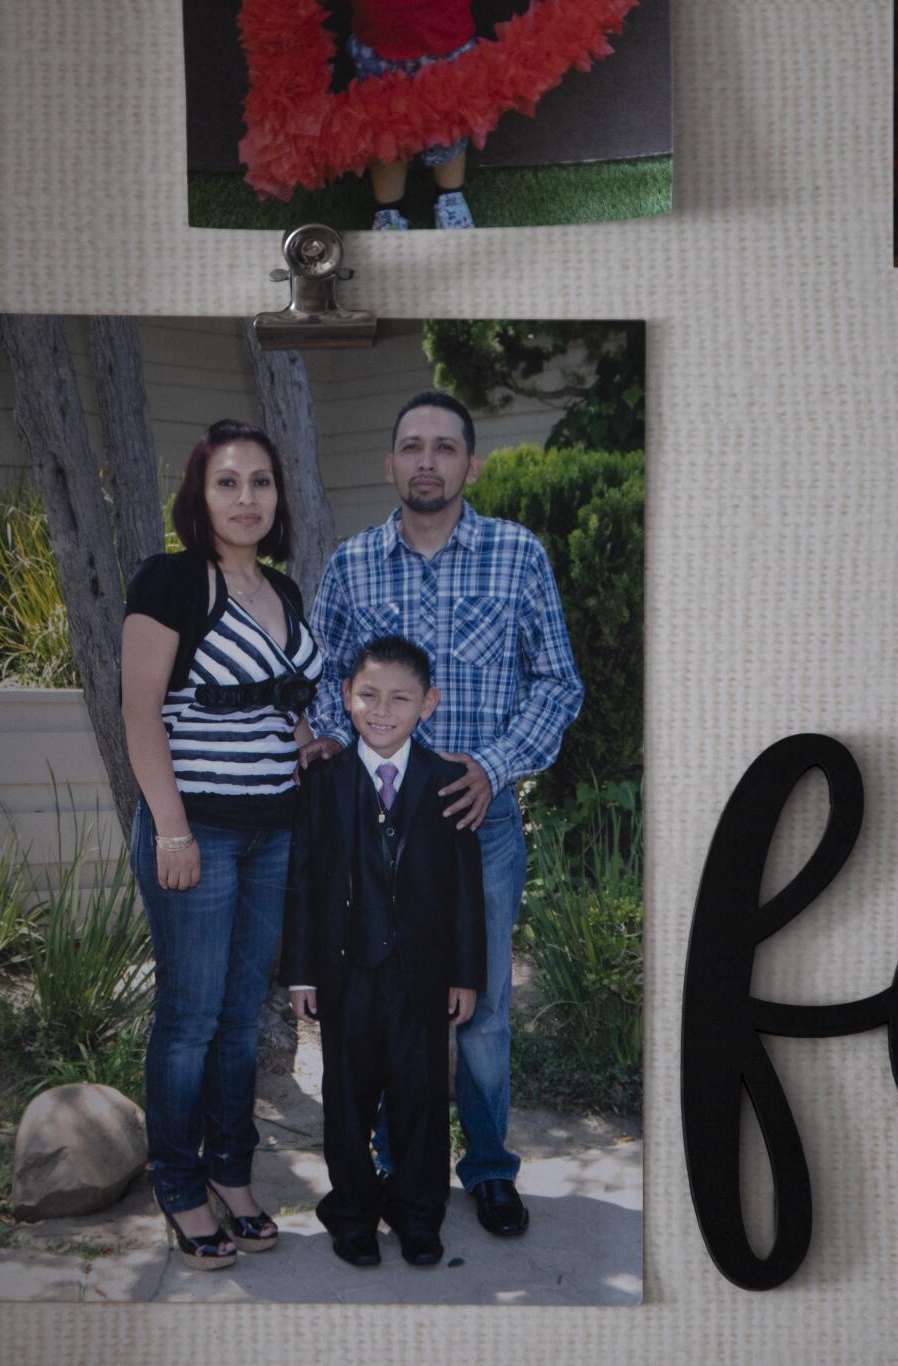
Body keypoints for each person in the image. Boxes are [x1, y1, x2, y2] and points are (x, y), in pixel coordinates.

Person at [301, 389, 583, 1240]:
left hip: (476, 825)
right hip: (375, 835)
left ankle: (491, 1168)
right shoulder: (352, 565)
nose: (427, 459)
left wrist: (494, 768)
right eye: (411, 445)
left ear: (471, 465)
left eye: (445, 447)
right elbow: (321, 679)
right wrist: (327, 741)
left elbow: (557, 682)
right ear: (389, 464)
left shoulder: (516, 555)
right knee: (386, 999)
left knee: (482, 1006)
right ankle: (393, 1167)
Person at [121, 418, 323, 1270]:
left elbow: (281, 701)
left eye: (262, 482)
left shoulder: (285, 589)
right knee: (190, 1020)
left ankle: (234, 1174)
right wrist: (170, 826)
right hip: (193, 832)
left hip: (271, 833)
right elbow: (140, 712)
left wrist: (306, 738)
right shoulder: (170, 581)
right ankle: (178, 1184)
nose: (248, 498)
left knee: (243, 1018)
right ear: (199, 496)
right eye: (229, 483)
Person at [284, 636, 486, 1267]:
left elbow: (465, 893)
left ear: (428, 704)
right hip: (348, 974)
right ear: (345, 698)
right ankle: (352, 1214)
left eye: (400, 698)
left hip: (421, 978)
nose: (381, 709)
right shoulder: (323, 780)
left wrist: (465, 974)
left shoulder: (451, 782)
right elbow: (303, 881)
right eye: (367, 695)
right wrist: (300, 973)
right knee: (347, 1099)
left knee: (421, 1097)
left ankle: (418, 1214)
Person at [348, 0, 482, 229]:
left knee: (449, 121)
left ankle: (449, 197)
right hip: (377, 40)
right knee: (383, 127)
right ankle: (388, 209)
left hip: (447, 37)